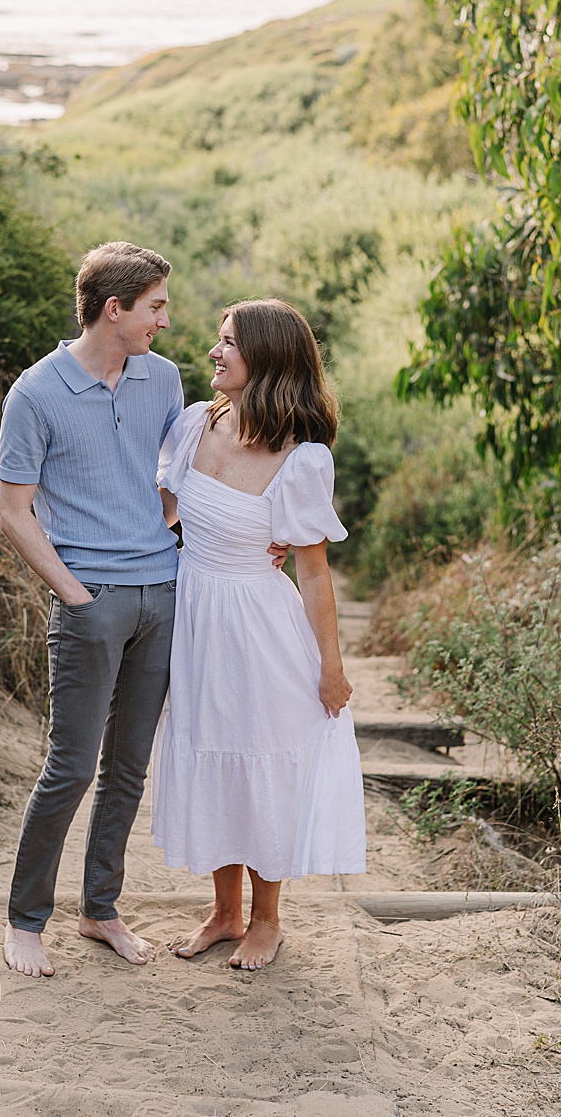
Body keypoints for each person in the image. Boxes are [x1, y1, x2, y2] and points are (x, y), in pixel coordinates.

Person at [151, 298, 365, 970]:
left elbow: (314, 573)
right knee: (211, 752)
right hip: (195, 615)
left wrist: (331, 668)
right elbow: (160, 518)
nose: (214, 353)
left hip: (259, 625)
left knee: (262, 763)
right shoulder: (193, 425)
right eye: (218, 341)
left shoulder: (301, 459)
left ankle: (267, 920)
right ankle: (224, 911)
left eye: (228, 344)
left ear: (265, 359)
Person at [0, 242, 184, 978]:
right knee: (71, 767)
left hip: (161, 595)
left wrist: (153, 542)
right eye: (157, 307)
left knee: (130, 767)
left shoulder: (163, 380)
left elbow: (172, 480)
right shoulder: (35, 394)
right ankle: (24, 920)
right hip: (91, 602)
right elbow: (14, 513)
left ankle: (98, 908)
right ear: (117, 309)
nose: (166, 322)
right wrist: (75, 591)